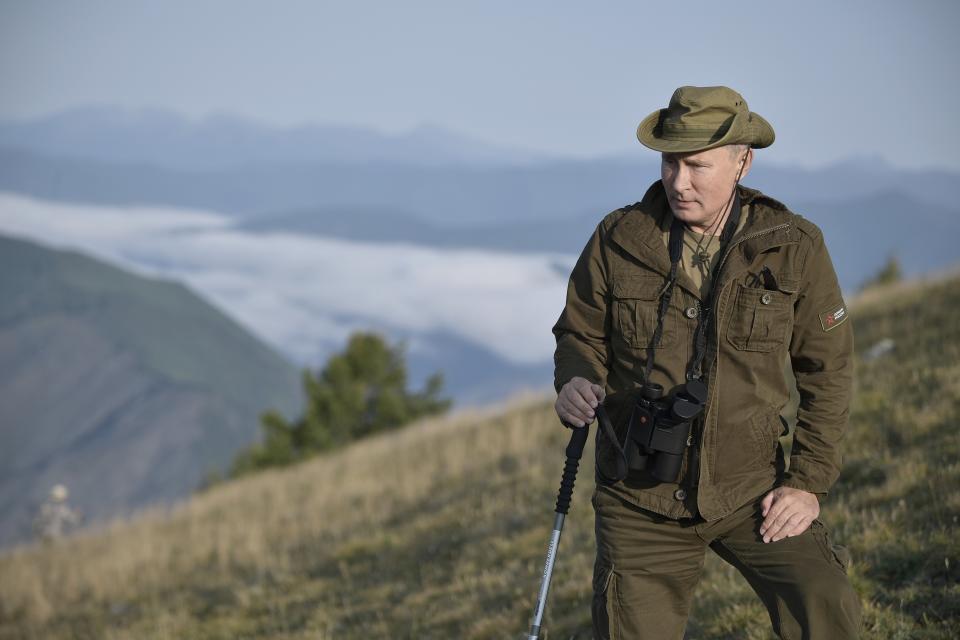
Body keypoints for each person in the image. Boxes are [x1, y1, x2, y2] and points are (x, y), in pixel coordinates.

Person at [552, 86, 861, 639]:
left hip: (752, 490)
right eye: (670, 162)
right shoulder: (618, 238)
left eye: (697, 165)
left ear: (743, 161)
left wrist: (807, 483)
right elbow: (580, 332)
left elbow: (828, 371)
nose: (678, 181)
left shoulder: (793, 247)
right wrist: (576, 378)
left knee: (825, 602)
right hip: (638, 495)